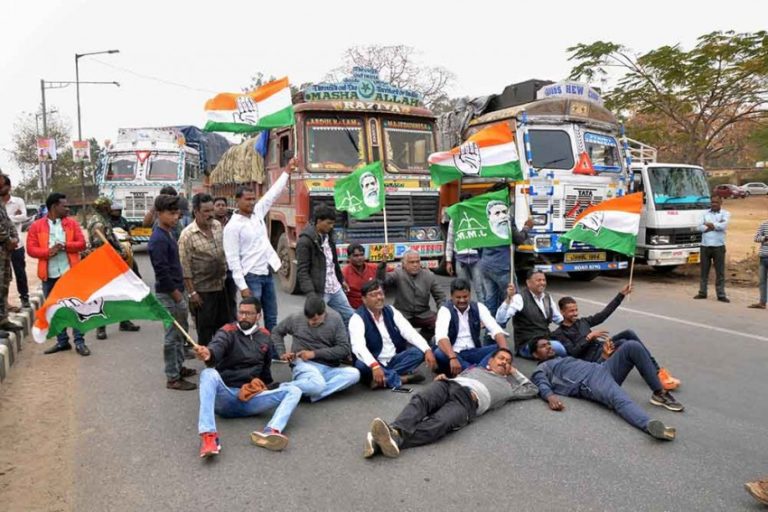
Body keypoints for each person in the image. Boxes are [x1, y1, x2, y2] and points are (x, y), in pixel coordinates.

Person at [363, 348, 538, 458]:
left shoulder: (508, 388)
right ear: (490, 361)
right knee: (421, 400)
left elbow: (532, 389)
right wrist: (446, 378)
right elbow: (459, 378)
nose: (504, 362)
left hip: (468, 403)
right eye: (501, 358)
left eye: (508, 362)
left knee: (440, 423)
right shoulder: (475, 369)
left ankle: (386, 438)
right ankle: (394, 432)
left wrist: (513, 372)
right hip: (449, 385)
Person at [192, 297, 303, 457]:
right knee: (208, 374)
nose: (243, 316)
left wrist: (270, 387)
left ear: (258, 316)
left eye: (248, 313)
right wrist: (208, 353)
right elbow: (216, 348)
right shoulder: (227, 331)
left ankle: (271, 431)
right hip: (226, 398)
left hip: (250, 398)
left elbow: (265, 372)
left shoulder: (265, 336)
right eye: (241, 312)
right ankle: (209, 437)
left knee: (294, 390)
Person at [529, 338, 683, 440]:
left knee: (631, 346)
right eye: (543, 347)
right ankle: (650, 425)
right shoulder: (543, 367)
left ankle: (659, 392)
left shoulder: (561, 358)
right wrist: (550, 397)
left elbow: (588, 366)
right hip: (591, 381)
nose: (548, 347)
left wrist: (604, 357)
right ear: (535, 355)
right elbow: (540, 382)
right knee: (620, 399)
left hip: (602, 368)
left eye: (548, 344)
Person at [553, 285, 682, 390]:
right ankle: (654, 380)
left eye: (576, 310)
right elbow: (573, 352)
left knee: (629, 333)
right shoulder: (560, 333)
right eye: (571, 311)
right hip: (595, 359)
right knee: (626, 344)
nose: (575, 313)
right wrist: (588, 337)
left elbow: (604, 314)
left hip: (602, 347)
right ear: (562, 312)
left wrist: (620, 296)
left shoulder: (583, 322)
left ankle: (657, 372)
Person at [223, 170, 290, 333]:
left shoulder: (257, 213)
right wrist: (243, 286)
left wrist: (287, 172)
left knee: (272, 317)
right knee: (251, 320)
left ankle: (272, 353)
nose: (251, 203)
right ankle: (251, 353)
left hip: (266, 274)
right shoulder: (232, 227)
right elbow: (232, 260)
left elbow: (272, 194)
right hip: (250, 277)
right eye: (247, 200)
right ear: (237, 200)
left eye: (253, 199)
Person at [26, 193, 90, 355]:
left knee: (75, 308)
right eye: (64, 206)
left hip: (70, 273)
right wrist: (48, 252)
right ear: (54, 207)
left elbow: (82, 244)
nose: (67, 208)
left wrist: (65, 246)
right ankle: (62, 342)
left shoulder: (72, 224)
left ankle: (80, 342)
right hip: (49, 275)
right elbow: (31, 249)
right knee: (54, 310)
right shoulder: (37, 226)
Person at [350, 280, 437, 389]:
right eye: (373, 295)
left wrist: (427, 350)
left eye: (380, 293)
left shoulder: (391, 310)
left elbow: (409, 332)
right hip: (375, 361)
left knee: (419, 352)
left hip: (394, 359)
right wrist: (374, 365)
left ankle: (383, 379)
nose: (379, 298)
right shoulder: (357, 318)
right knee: (361, 365)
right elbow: (358, 347)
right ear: (364, 299)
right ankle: (401, 379)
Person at [148, 194, 196, 391]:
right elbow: (161, 271)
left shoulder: (169, 232)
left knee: (179, 334)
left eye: (177, 213)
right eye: (171, 213)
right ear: (159, 214)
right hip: (169, 294)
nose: (176, 217)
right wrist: (176, 294)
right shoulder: (158, 239)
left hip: (177, 290)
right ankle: (172, 377)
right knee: (172, 336)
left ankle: (178, 367)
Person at [271, 296, 360, 402]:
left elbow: (344, 349)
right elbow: (276, 332)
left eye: (315, 319)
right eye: (308, 318)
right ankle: (286, 388)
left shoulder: (335, 319)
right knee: (318, 385)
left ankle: (300, 391)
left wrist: (314, 354)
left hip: (328, 367)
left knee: (354, 374)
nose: (310, 322)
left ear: (324, 313)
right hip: (303, 365)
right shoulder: (296, 318)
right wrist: (282, 353)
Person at [178, 193, 230, 346]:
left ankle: (222, 358)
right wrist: (192, 293)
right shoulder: (187, 235)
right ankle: (208, 363)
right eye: (205, 211)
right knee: (205, 328)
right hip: (202, 291)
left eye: (211, 210)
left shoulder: (217, 226)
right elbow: (184, 267)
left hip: (221, 286)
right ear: (196, 211)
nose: (210, 215)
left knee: (224, 326)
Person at [88, 196, 141, 339]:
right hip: (104, 262)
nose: (111, 209)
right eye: (108, 206)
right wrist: (118, 253)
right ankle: (101, 327)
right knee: (104, 295)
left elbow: (112, 238)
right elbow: (101, 246)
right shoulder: (98, 222)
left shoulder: (105, 220)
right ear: (103, 207)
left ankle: (124, 321)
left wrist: (122, 251)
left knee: (120, 291)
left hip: (113, 260)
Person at [477, 183, 533, 318]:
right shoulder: (505, 215)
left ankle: (490, 335)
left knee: (491, 301)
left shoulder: (484, 215)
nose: (512, 196)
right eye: (510, 193)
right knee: (515, 301)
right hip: (502, 266)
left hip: (485, 265)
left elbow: (477, 244)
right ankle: (523, 331)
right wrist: (527, 227)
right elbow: (518, 238)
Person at [434, 278, 510, 376]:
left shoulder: (479, 307)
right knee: (439, 352)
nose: (462, 300)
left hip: (473, 352)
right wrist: (453, 357)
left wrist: (504, 353)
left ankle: (472, 371)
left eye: (465, 297)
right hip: (453, 353)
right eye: (458, 297)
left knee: (501, 348)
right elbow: (441, 337)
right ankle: (481, 372)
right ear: (451, 296)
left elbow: (496, 330)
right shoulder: (445, 310)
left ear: (470, 295)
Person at [296, 204, 355, 325]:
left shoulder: (329, 237)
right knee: (317, 323)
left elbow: (333, 262)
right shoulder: (305, 241)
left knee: (351, 317)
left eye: (333, 223)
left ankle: (345, 343)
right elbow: (302, 271)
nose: (331, 226)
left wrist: (341, 279)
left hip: (335, 288)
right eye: (328, 223)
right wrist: (311, 294)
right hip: (319, 291)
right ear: (318, 221)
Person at [495, 271, 567, 358]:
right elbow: (500, 320)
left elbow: (559, 319)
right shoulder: (519, 298)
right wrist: (508, 299)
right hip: (528, 342)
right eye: (538, 280)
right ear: (528, 283)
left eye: (544, 280)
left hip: (546, 338)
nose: (542, 283)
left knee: (570, 341)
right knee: (559, 348)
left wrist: (575, 327)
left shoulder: (547, 297)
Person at [377, 249, 446, 341]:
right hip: (402, 314)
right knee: (388, 325)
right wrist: (382, 265)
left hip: (423, 314)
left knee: (441, 323)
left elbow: (440, 296)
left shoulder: (429, 275)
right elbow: (382, 280)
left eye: (417, 262)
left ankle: (424, 340)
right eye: (411, 262)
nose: (415, 265)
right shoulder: (398, 273)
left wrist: (443, 313)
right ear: (404, 264)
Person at [445, 193, 483, 302]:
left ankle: (482, 314)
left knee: (480, 288)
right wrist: (448, 261)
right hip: (460, 259)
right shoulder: (455, 219)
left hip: (477, 258)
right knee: (462, 288)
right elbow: (450, 240)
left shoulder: (479, 218)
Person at [694, 195, 730, 302]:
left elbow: (723, 226)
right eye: (712, 202)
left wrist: (710, 225)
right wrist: (715, 226)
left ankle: (721, 294)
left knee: (720, 272)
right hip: (705, 246)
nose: (714, 204)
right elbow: (699, 227)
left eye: (716, 202)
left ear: (721, 202)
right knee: (704, 271)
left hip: (718, 246)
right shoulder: (704, 213)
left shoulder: (725, 213)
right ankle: (702, 292)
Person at [1, 175, 30, 309]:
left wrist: (7, 219)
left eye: (3, 186)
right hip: (3, 247)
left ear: (9, 187)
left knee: (20, 273)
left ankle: (24, 298)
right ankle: (5, 303)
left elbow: (24, 216)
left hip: (16, 244)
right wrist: (13, 218)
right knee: (4, 277)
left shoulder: (18, 201)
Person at [341, 243, 378, 309]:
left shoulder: (373, 267)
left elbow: (393, 269)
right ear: (349, 257)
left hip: (373, 307)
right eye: (356, 255)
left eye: (361, 255)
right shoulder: (344, 272)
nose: (360, 258)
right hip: (354, 310)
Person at [748, 217, 768, 309]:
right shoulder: (764, 224)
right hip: (763, 257)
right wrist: (765, 238)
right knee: (762, 281)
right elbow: (756, 238)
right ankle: (762, 302)